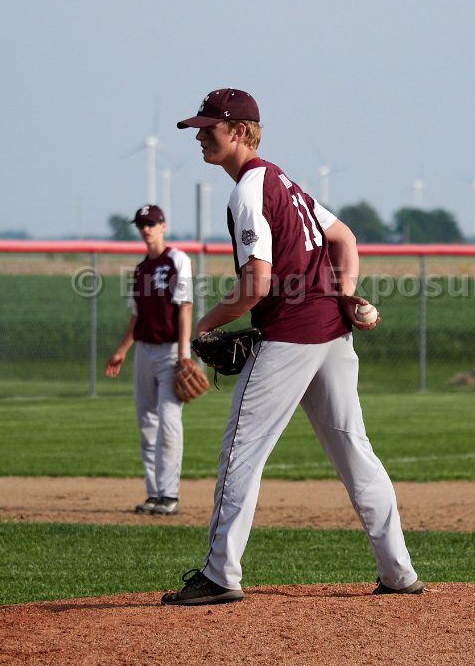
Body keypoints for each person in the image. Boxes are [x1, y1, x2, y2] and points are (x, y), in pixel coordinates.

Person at [160, 88, 423, 605]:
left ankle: (219, 574)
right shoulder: (285, 182)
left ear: (239, 131)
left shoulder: (249, 190)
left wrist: (202, 328)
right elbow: (344, 237)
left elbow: (256, 284)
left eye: (208, 128)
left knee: (239, 453)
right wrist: (344, 294)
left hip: (289, 336)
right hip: (332, 334)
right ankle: (398, 572)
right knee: (356, 453)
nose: (199, 137)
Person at [105, 204, 193, 516]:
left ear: (163, 226)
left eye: (151, 223)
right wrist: (122, 350)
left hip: (170, 351)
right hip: (144, 350)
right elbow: (136, 316)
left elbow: (185, 306)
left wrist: (183, 354)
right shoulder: (141, 269)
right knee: (146, 424)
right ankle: (155, 493)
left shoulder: (177, 260)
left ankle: (170, 494)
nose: (145, 229)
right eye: (141, 224)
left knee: (169, 422)